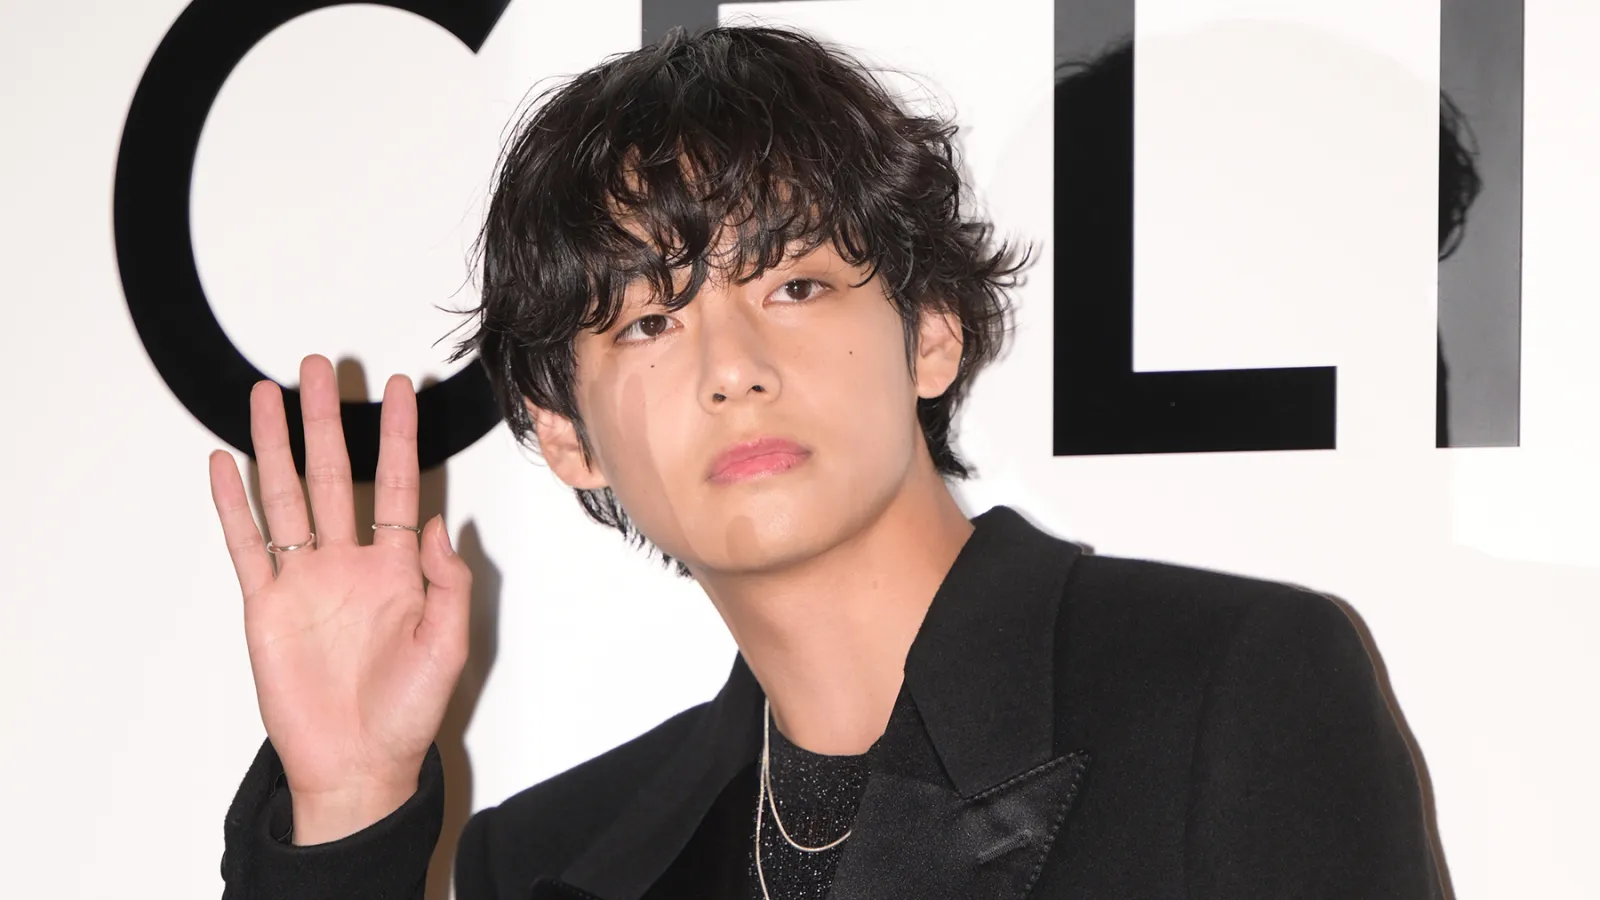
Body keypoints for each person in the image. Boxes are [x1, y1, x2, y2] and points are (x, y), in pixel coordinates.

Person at [211, 25, 1444, 900]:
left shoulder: (1227, 689)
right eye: (649, 322)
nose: (731, 366)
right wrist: (348, 810)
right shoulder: (551, 859)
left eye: (794, 285)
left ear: (931, 332)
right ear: (567, 435)